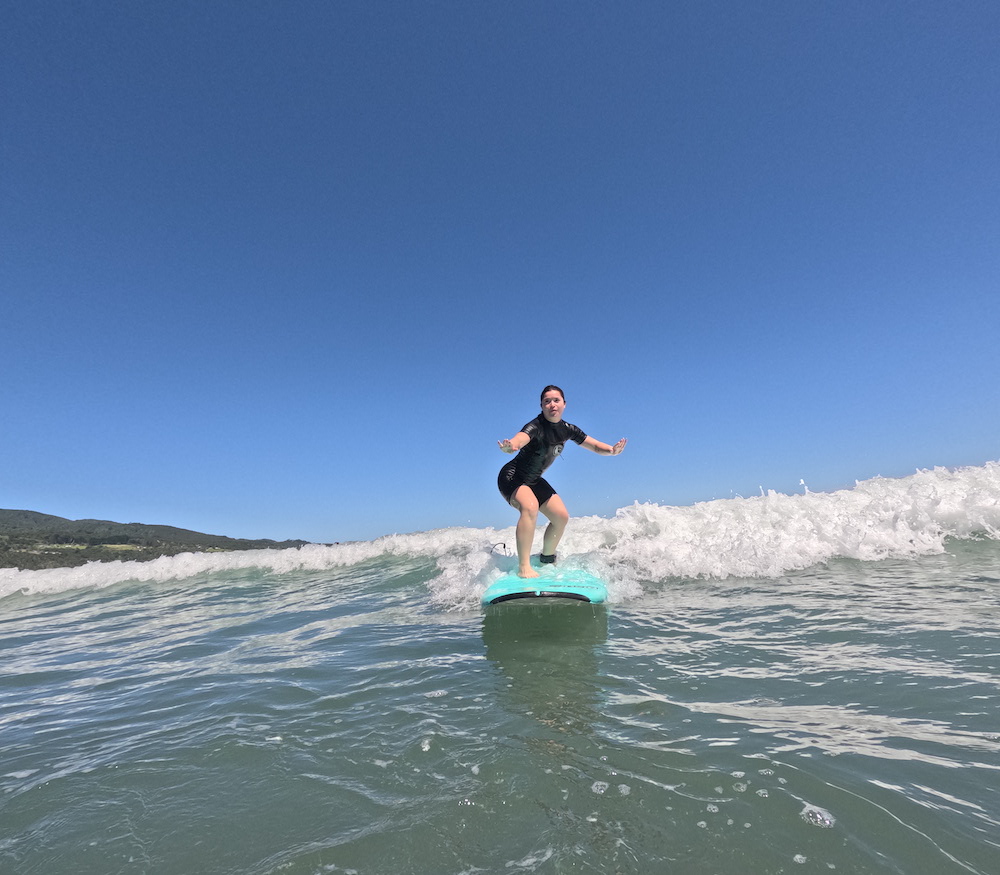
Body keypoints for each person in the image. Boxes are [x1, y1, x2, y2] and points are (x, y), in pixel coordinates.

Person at [498, 385, 627, 578]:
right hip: (512, 477)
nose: (552, 404)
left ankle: (546, 559)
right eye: (547, 401)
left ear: (564, 404)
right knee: (530, 507)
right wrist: (512, 446)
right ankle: (524, 567)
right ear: (541, 406)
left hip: (533, 481)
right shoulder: (535, 426)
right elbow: (520, 438)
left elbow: (593, 445)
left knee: (561, 517)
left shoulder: (567, 430)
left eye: (556, 400)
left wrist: (611, 450)